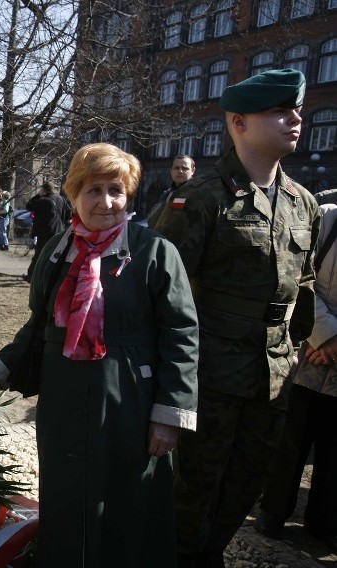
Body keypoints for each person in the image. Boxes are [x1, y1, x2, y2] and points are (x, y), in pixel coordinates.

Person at [0, 142, 199, 567]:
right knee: (68, 493)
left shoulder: (154, 252)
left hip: (130, 396)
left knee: (129, 497)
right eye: (94, 189)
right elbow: (40, 328)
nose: (106, 201)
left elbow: (181, 334)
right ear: (74, 194)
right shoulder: (58, 251)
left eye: (116, 189)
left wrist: (169, 414)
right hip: (64, 398)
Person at [152, 68, 320, 568]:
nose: (295, 119)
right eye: (280, 111)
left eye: (296, 110)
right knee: (193, 489)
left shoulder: (301, 202)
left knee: (248, 480)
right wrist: (167, 385)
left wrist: (297, 349)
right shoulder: (202, 196)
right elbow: (161, 293)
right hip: (208, 376)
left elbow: (304, 284)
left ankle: (210, 554)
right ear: (239, 122)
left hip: (272, 377)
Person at [254, 202, 337, 552]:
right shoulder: (327, 217)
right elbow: (295, 275)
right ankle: (272, 514)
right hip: (306, 352)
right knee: (290, 440)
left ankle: (324, 525)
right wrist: (328, 337)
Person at [23, 181, 71, 281]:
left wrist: (37, 195)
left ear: (44, 190)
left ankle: (31, 275)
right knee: (55, 255)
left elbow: (29, 206)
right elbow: (69, 214)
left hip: (45, 232)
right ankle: (53, 276)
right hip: (59, 231)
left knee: (39, 255)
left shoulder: (44, 200)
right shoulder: (61, 199)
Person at [146, 155, 196, 227]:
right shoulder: (167, 194)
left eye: (185, 168)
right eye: (176, 168)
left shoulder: (196, 193)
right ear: (171, 171)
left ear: (193, 171)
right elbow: (151, 221)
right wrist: (166, 203)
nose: (180, 171)